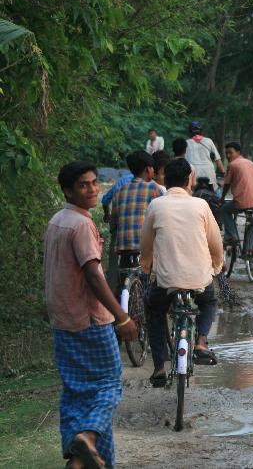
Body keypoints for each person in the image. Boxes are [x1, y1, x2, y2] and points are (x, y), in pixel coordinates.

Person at [44, 161, 137, 469]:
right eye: (84, 185)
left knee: (76, 392)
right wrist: (121, 317)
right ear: (68, 190)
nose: (93, 189)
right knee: (109, 384)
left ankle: (81, 460)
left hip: (62, 320)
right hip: (89, 321)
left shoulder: (59, 220)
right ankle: (86, 435)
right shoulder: (82, 225)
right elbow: (93, 275)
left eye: (95, 183)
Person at [140, 159, 224, 386]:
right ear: (189, 180)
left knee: (155, 310)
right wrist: (216, 266)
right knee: (208, 302)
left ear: (165, 180)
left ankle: (159, 366)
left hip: (165, 280)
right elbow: (216, 244)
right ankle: (201, 342)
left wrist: (147, 267)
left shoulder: (156, 205)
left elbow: (146, 245)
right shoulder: (200, 205)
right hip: (199, 277)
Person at [110, 151, 163, 254]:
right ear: (148, 169)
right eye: (152, 167)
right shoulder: (154, 188)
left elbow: (113, 225)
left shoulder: (120, 191)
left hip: (123, 250)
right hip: (145, 249)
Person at [219, 142, 253, 246]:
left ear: (238, 152)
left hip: (242, 202)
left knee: (224, 210)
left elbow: (227, 184)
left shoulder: (232, 165)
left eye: (230, 153)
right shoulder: (251, 163)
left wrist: (222, 198)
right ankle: (251, 249)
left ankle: (232, 235)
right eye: (226, 153)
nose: (228, 156)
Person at [185, 121, 224, 189]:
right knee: (215, 192)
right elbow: (217, 159)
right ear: (201, 130)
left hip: (193, 174)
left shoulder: (186, 143)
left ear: (190, 131)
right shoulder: (209, 141)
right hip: (209, 173)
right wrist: (223, 172)